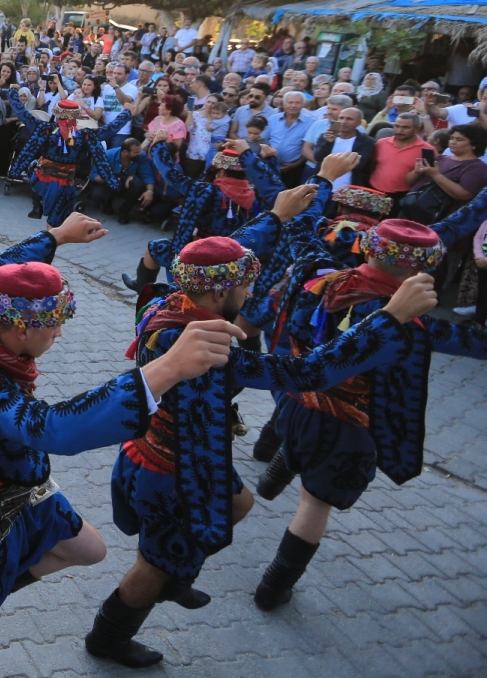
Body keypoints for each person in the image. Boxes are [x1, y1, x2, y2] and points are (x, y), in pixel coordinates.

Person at [86, 218, 425, 668]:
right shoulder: (207, 348)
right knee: (152, 566)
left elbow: (210, 256)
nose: (251, 294)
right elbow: (307, 374)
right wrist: (387, 319)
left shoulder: (167, 302)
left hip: (179, 458)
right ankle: (108, 637)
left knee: (240, 503)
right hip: (170, 471)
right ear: (221, 292)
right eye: (246, 285)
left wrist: (278, 216)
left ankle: (176, 572)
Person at [0, 214, 237, 678]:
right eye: (53, 324)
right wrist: (164, 370)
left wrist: (55, 237)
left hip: (19, 493)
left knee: (89, 549)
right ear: (23, 328)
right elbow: (54, 429)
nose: (60, 333)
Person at [251, 218, 487, 611]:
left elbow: (300, 238)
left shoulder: (320, 276)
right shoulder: (407, 323)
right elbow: (475, 343)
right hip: (345, 426)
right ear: (421, 269)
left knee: (296, 443)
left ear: (368, 247)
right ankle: (273, 589)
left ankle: (270, 482)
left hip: (294, 402)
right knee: (314, 503)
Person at [124, 140, 286, 290]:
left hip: (198, 257)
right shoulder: (255, 196)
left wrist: (158, 144)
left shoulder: (206, 191)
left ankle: (143, 287)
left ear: (221, 172)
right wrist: (271, 160)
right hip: (234, 261)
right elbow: (274, 190)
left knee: (156, 247)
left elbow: (172, 175)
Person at [7, 90, 128, 227]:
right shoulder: (85, 136)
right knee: (54, 224)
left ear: (58, 114)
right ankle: (48, 235)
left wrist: (12, 93)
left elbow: (23, 114)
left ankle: (38, 205)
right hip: (66, 185)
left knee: (33, 165)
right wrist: (127, 113)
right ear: (76, 117)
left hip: (42, 180)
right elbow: (111, 129)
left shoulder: (44, 128)